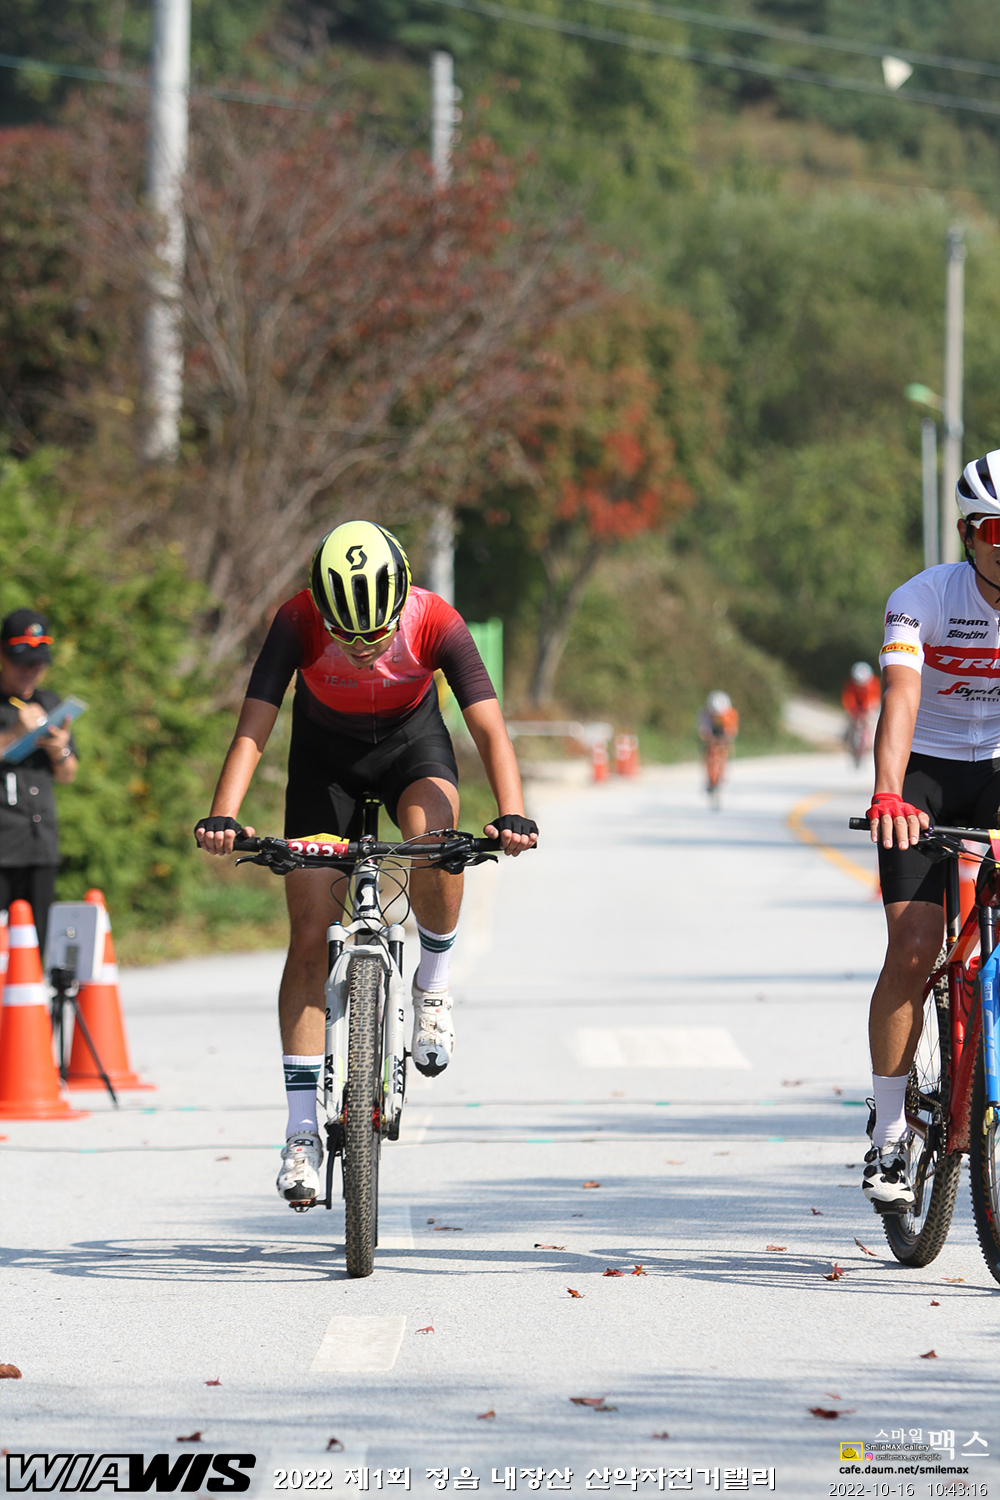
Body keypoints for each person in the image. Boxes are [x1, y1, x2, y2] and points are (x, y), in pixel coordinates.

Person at [195, 522, 538, 1206]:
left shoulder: (436, 620)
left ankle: (432, 985)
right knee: (307, 933)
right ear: (322, 611)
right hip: (324, 763)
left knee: (437, 842)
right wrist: (223, 814)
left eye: (375, 636)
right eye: (346, 637)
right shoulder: (296, 620)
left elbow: (489, 727)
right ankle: (300, 1132)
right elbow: (253, 727)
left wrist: (513, 812)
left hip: (413, 748)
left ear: (400, 603)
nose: (361, 651)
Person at [865, 448, 1000, 1212]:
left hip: (998, 770)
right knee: (915, 949)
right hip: (925, 772)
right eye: (997, 531)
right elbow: (902, 697)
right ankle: (889, 1135)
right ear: (968, 534)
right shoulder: (921, 599)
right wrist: (889, 793)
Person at [0, 609, 79, 957]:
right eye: (22, 663)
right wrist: (16, 733)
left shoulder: (49, 703)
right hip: (3, 844)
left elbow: (68, 775)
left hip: (40, 842)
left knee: (38, 944)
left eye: (38, 664)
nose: (30, 671)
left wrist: (60, 751)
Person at [698, 691, 739, 792]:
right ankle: (710, 779)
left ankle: (723, 772)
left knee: (726, 750)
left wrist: (727, 738)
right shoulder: (705, 713)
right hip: (711, 733)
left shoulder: (731, 714)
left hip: (723, 734)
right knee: (709, 754)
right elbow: (703, 729)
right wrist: (707, 737)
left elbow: (732, 730)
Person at [841, 661, 881, 766]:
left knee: (871, 722)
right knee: (849, 722)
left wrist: (867, 712)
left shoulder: (873, 682)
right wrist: (851, 711)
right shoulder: (851, 684)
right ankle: (847, 738)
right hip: (856, 706)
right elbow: (848, 698)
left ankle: (871, 743)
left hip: (869, 705)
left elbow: (873, 699)